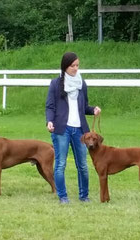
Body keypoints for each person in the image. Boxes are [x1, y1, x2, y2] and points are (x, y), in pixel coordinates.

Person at [45, 52, 101, 204]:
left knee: (82, 165)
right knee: (60, 164)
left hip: (80, 130)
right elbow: (50, 106)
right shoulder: (56, 84)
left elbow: (84, 107)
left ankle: (84, 196)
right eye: (73, 66)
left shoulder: (82, 84)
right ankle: (63, 196)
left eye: (77, 65)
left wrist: (93, 109)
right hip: (62, 129)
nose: (76, 69)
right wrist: (49, 121)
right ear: (65, 66)